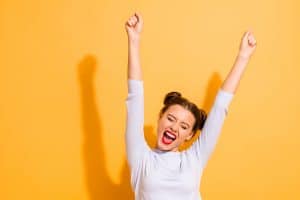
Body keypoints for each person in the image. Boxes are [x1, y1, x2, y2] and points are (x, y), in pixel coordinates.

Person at [124, 12, 256, 200]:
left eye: (184, 126)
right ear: (160, 117)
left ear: (190, 135)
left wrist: (243, 57)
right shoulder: (141, 158)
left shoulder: (194, 158)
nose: (174, 127)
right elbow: (135, 97)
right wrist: (134, 40)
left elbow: (220, 107)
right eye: (171, 119)